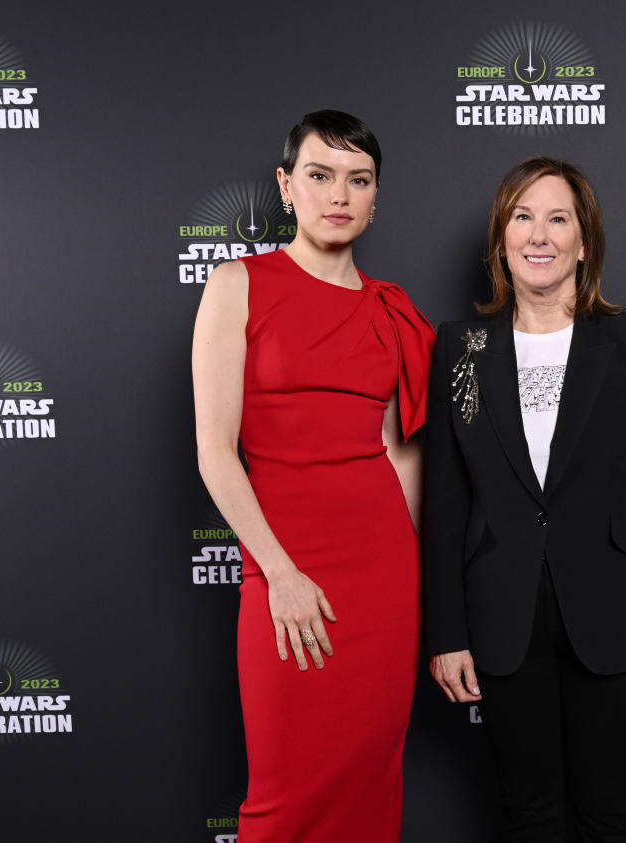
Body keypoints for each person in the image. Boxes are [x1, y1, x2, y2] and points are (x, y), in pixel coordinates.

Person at [424, 156, 626, 843]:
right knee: (526, 813)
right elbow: (447, 501)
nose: (538, 235)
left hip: (609, 612)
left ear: (584, 241)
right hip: (502, 617)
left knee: (609, 813)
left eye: (557, 218)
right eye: (522, 217)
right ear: (500, 238)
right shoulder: (461, 348)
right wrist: (447, 633)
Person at [192, 110, 434, 842]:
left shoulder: (390, 310)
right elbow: (214, 450)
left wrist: (414, 579)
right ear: (286, 186)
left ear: (374, 196)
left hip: (382, 576)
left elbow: (401, 454)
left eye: (358, 180)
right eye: (320, 175)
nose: (339, 194)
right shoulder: (238, 283)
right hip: (284, 565)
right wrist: (281, 573)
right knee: (283, 794)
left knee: (370, 778)